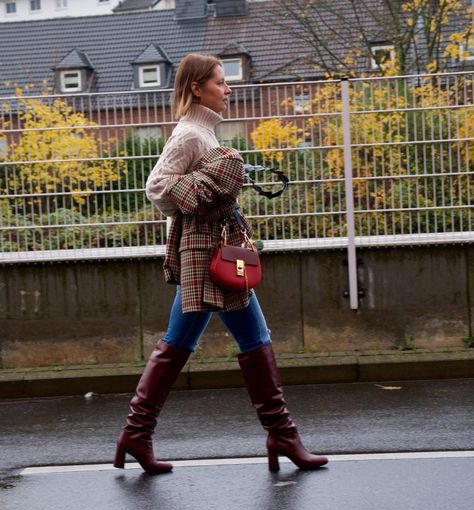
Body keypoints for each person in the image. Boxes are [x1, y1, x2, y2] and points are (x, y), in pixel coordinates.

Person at [113, 53, 328, 475]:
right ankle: (282, 434)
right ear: (197, 88)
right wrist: (203, 191)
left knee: (180, 341)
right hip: (212, 257)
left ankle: (136, 435)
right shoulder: (190, 134)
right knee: (254, 336)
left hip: (212, 255)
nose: (228, 89)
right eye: (219, 82)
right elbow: (156, 187)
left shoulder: (205, 134)